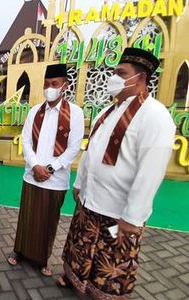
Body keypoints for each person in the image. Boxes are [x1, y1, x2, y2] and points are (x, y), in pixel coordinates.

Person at [58, 48, 176, 299]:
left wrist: (133, 217)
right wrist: (79, 183)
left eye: (121, 73)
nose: (114, 78)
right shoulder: (107, 112)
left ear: (141, 78)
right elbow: (91, 153)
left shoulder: (155, 116)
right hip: (91, 201)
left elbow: (150, 173)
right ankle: (77, 281)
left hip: (118, 213)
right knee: (82, 250)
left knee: (110, 264)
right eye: (114, 73)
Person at [7, 64, 85, 276]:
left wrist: (49, 168)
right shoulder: (35, 111)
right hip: (32, 175)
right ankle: (19, 252)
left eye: (54, 84)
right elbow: (25, 141)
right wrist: (35, 165)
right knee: (27, 218)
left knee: (49, 221)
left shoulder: (75, 114)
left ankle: (42, 259)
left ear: (64, 86)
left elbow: (73, 148)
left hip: (56, 179)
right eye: (46, 84)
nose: (49, 88)